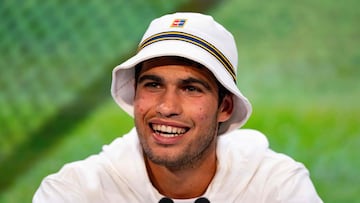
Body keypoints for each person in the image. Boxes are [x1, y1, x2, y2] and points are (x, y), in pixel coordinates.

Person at [33, 12, 323, 203]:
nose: (167, 107)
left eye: (191, 88)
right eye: (153, 85)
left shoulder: (278, 187)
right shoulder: (74, 191)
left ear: (224, 106)